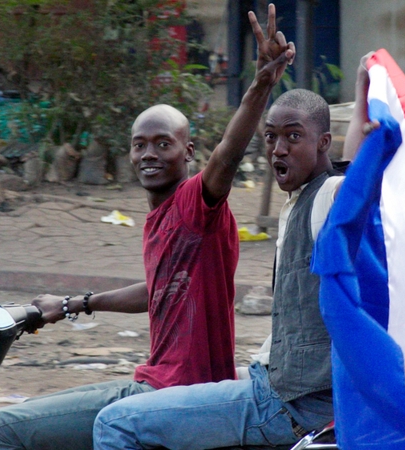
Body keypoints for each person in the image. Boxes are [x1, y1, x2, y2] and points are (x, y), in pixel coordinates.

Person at [0, 4, 294, 449]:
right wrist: (75, 304)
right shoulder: (162, 217)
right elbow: (158, 289)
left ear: (189, 152)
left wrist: (259, 86)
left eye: (164, 144)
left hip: (168, 391)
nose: (149, 154)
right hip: (164, 383)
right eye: (139, 145)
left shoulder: (194, 205)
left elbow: (228, 155)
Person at [89, 87, 352, 449]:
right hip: (275, 378)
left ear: (323, 142)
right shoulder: (296, 202)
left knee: (115, 424)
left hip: (291, 404)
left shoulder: (329, 194)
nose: (279, 149)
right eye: (271, 137)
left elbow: (353, 186)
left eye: (293, 137)